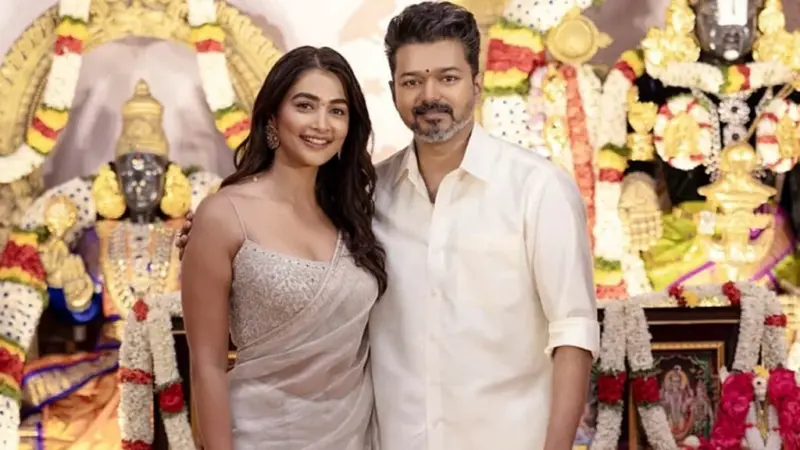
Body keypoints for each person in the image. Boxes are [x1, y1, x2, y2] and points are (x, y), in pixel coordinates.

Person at [179, 3, 598, 449]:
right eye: (412, 81)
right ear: (394, 88)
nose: (429, 95)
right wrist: (210, 236)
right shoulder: (367, 198)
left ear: (477, 83)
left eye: (448, 78)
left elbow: (572, 333)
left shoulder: (538, 189)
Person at [180, 45, 387, 450]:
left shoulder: (357, 216)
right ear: (272, 117)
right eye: (305, 106)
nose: (321, 124)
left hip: (355, 435)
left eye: (337, 110)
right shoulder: (225, 215)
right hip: (260, 434)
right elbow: (207, 366)